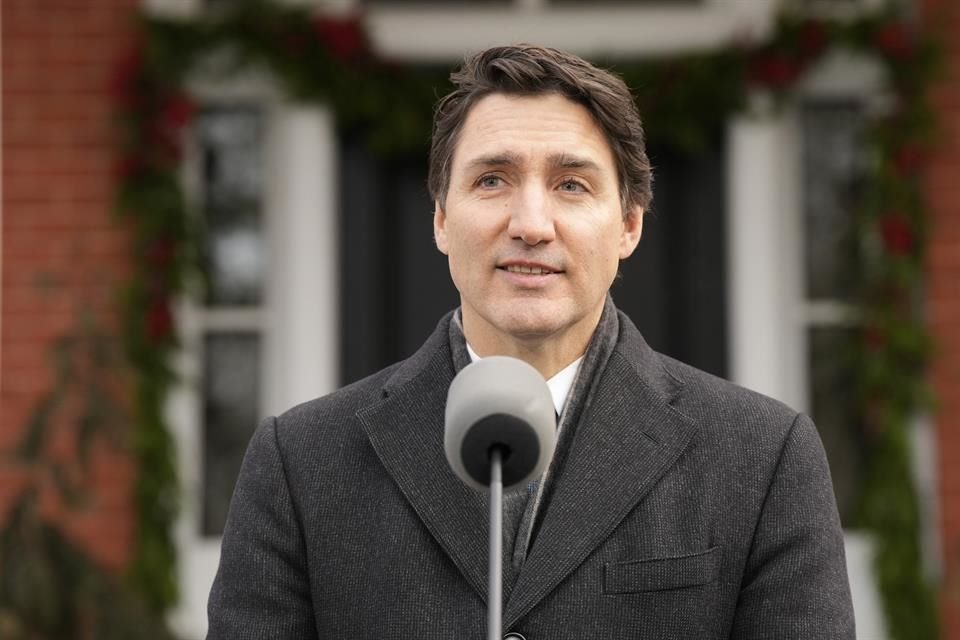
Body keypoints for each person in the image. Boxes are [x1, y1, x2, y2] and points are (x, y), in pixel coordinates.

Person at [207, 45, 855, 639]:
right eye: (492, 179)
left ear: (628, 224)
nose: (531, 224)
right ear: (440, 217)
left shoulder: (765, 460)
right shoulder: (300, 464)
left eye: (572, 185)